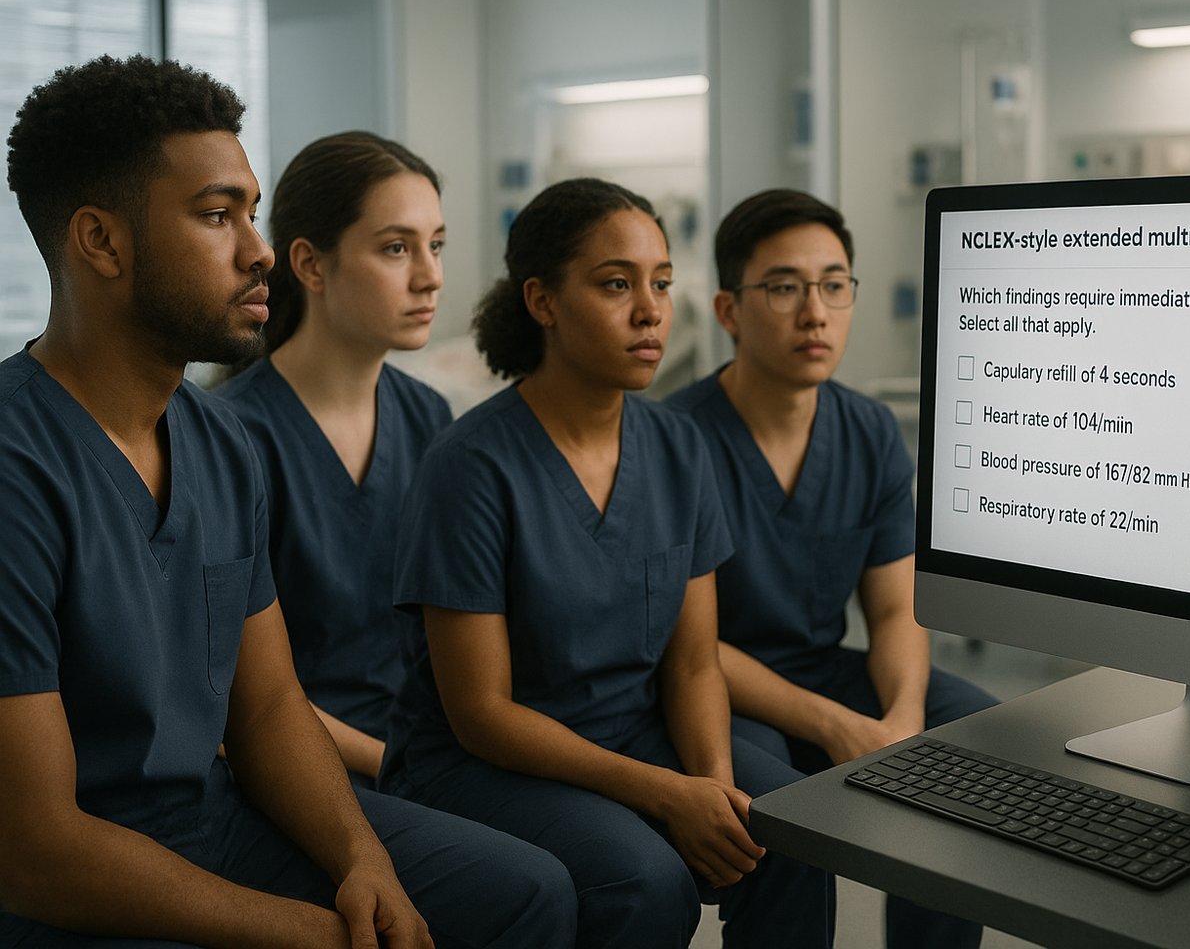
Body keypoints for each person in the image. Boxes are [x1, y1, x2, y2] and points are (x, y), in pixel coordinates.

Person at [0, 54, 574, 949]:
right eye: (215, 215)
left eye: (252, 212)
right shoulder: (16, 467)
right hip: (84, 878)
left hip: (220, 823)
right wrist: (302, 930)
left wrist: (362, 861)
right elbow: (35, 851)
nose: (259, 250)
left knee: (526, 893)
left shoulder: (220, 443)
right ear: (101, 242)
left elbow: (267, 709)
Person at [380, 177, 835, 949]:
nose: (651, 309)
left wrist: (714, 786)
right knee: (644, 879)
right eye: (616, 285)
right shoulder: (471, 466)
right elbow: (481, 714)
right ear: (543, 301)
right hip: (482, 762)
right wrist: (666, 794)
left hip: (634, 728)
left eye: (659, 282)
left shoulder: (678, 447)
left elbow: (693, 665)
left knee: (791, 827)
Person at [666, 188, 998, 949]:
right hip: (712, 687)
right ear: (728, 310)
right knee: (790, 817)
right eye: (783, 287)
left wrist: (905, 721)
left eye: (834, 285)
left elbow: (893, 610)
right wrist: (838, 725)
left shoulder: (868, 429)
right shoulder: (675, 440)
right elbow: (692, 647)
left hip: (823, 668)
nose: (815, 311)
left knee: (971, 735)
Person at [217, 131, 450, 789]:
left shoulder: (430, 419)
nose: (431, 275)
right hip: (299, 766)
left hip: (428, 751)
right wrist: (399, 766)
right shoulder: (233, 437)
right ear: (311, 266)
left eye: (436, 245)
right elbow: (231, 694)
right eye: (397, 248)